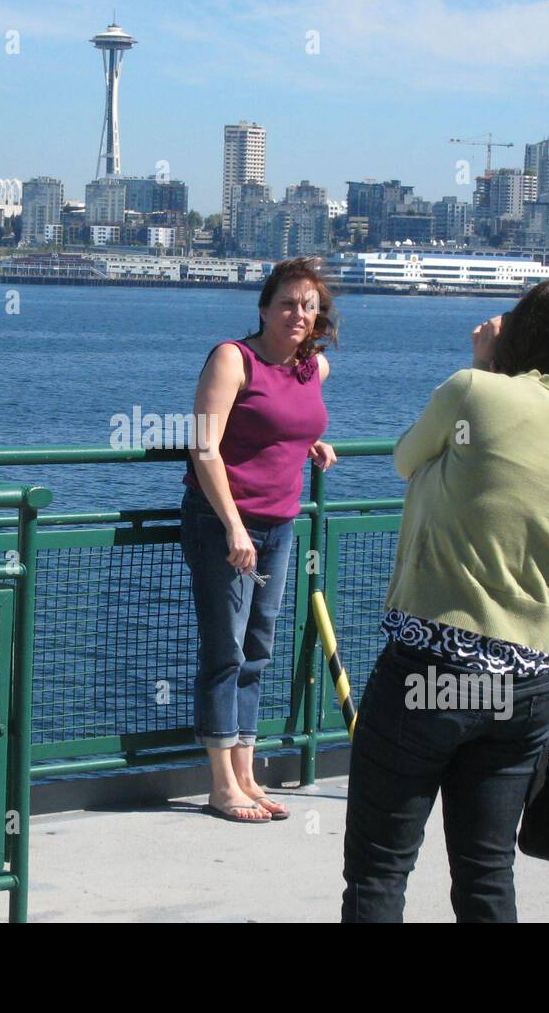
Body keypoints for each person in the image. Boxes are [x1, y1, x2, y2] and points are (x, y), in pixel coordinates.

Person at [341, 274, 549, 919]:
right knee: (486, 870)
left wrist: (486, 365)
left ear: (522, 332)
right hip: (530, 686)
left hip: (432, 674)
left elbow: (406, 459)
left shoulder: (475, 392)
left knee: (380, 870)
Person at [180, 257, 338, 823]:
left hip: (280, 524)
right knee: (224, 650)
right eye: (289, 303)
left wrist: (311, 445)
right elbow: (203, 447)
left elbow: (292, 422)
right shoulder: (232, 358)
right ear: (265, 308)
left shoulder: (312, 369)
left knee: (258, 650)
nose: (299, 314)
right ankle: (221, 784)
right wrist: (233, 527)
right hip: (225, 525)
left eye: (309, 306)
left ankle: (248, 774)